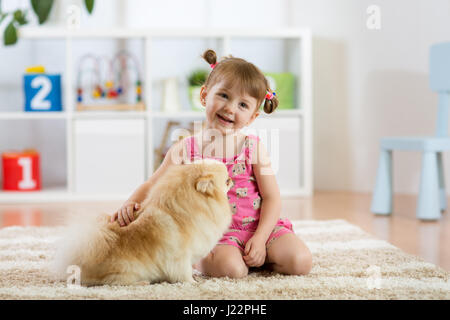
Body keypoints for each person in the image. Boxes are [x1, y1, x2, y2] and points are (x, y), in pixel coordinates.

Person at [111, 49, 312, 278]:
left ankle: (257, 255)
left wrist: (260, 238)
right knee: (232, 270)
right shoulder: (186, 149)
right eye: (224, 96)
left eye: (243, 105)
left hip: (260, 227)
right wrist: (130, 204)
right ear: (204, 95)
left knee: (300, 262)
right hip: (215, 233)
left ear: (253, 117)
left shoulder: (253, 148)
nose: (230, 108)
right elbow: (152, 185)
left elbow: (272, 198)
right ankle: (199, 257)